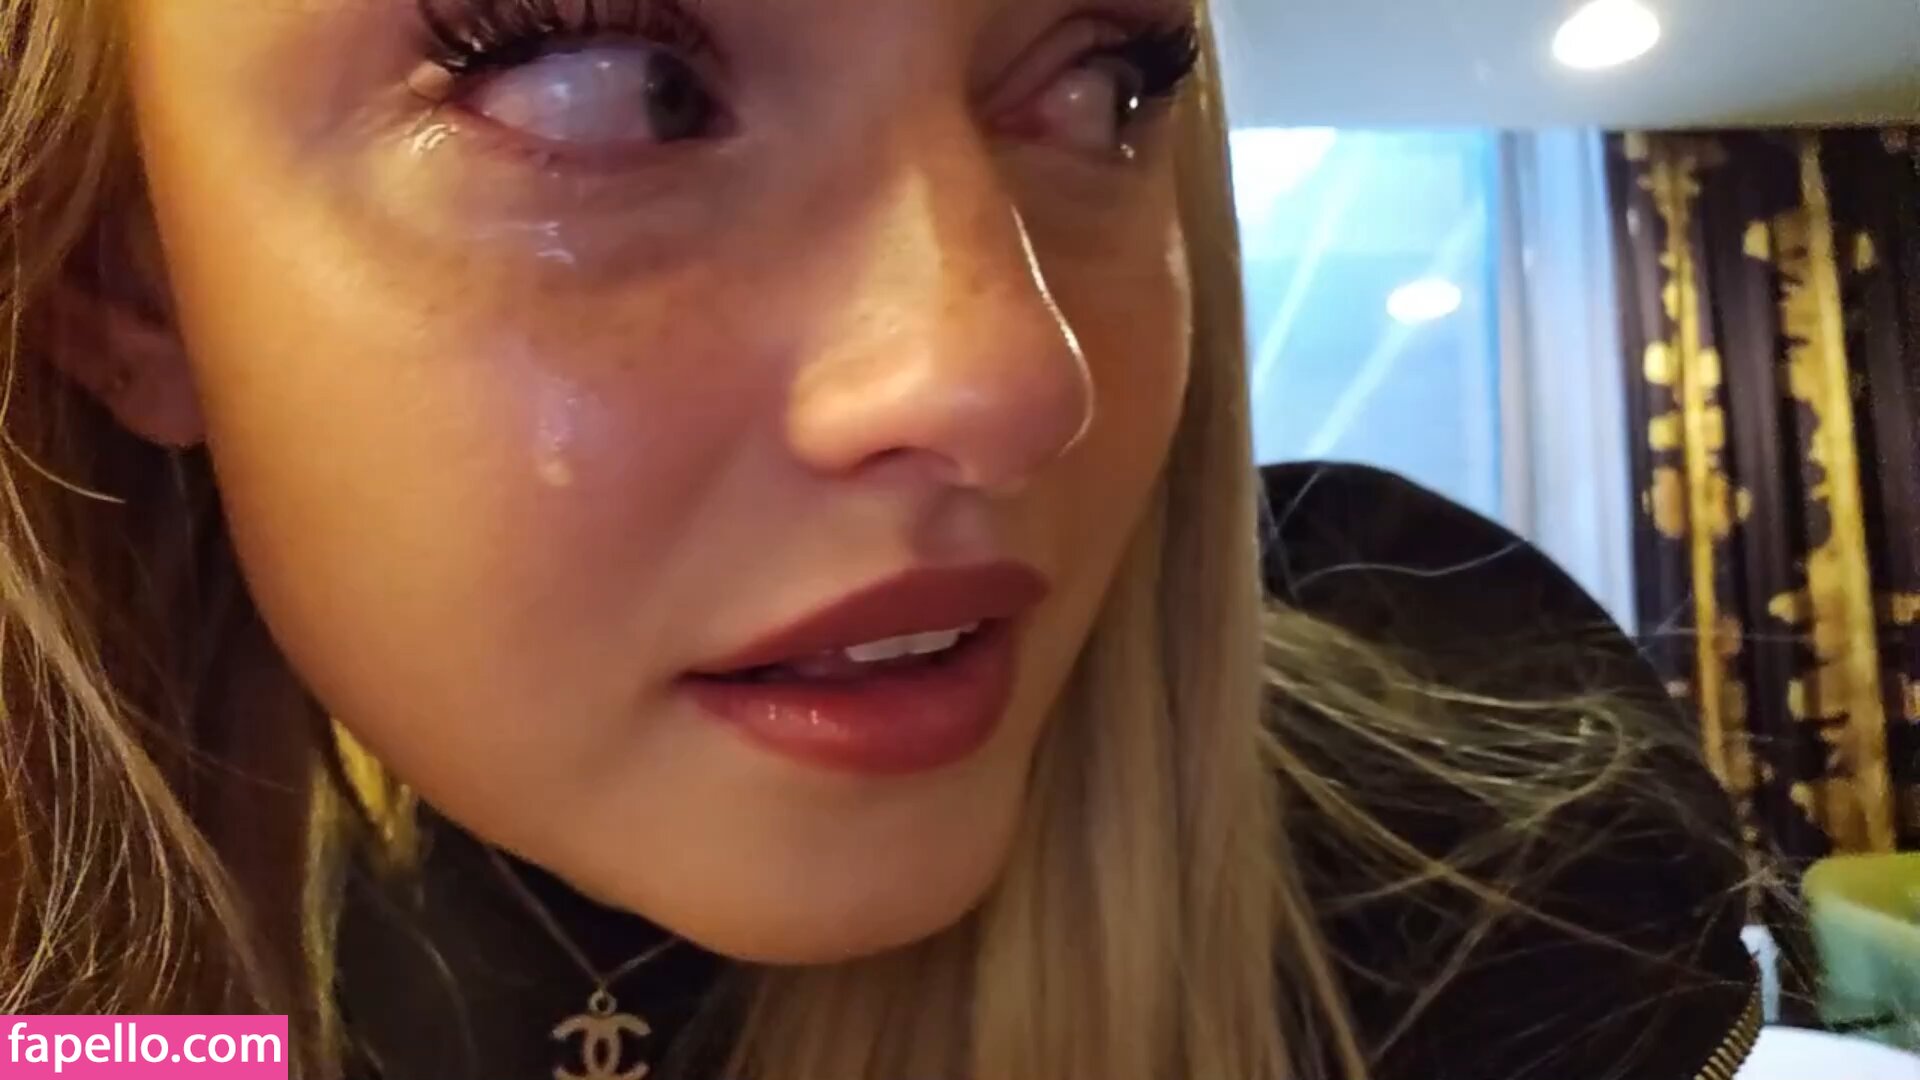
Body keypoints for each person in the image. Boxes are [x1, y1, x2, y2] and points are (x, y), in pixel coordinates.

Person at [0, 1, 1755, 1078]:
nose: (1015, 377)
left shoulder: (1479, 925)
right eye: (608, 78)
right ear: (129, 281)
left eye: (1105, 82)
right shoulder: (98, 1003)